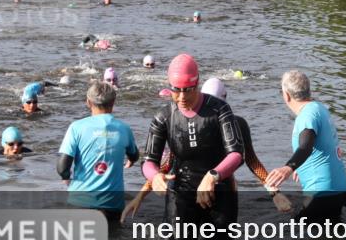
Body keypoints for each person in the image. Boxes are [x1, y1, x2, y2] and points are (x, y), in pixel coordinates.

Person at [140, 54, 243, 240]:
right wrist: (155, 177)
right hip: (181, 195)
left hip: (219, 195)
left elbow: (236, 154)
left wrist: (213, 175)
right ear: (170, 88)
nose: (182, 96)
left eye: (188, 90)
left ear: (197, 85)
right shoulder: (164, 117)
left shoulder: (219, 110)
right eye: (177, 90)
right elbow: (148, 162)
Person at [123, 77, 290, 221]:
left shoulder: (235, 124)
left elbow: (251, 160)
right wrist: (140, 196)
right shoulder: (186, 124)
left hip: (221, 186)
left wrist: (274, 193)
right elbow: (167, 165)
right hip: (187, 188)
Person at [265, 70, 346, 222]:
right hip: (338, 188)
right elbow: (321, 145)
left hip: (321, 191)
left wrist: (288, 168)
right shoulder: (318, 108)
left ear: (287, 95)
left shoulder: (307, 116)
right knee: (330, 234)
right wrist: (301, 166)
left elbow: (306, 146)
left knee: (299, 229)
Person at [57, 81, 138, 222]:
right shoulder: (124, 128)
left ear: (88, 102)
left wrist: (65, 177)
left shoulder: (76, 128)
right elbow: (134, 155)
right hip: (112, 203)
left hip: (80, 202)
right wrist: (131, 160)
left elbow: (62, 166)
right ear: (113, 102)